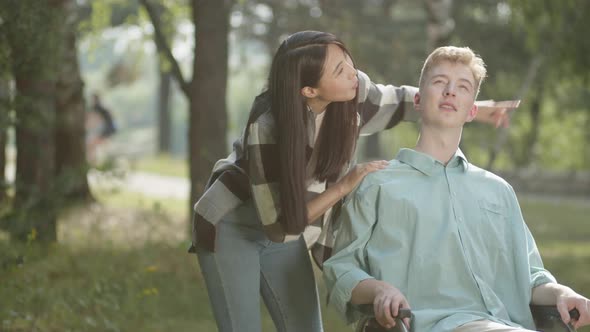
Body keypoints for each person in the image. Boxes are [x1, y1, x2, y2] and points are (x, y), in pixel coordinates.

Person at [191, 31, 518, 332]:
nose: (353, 74)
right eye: (339, 70)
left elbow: (403, 100)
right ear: (310, 90)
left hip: (287, 224)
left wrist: (468, 103)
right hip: (235, 224)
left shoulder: (351, 93)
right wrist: (344, 186)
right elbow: (279, 226)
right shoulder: (269, 127)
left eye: (348, 62)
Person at [322, 46, 590, 332]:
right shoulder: (377, 184)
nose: (450, 91)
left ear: (473, 110)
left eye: (462, 87)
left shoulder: (498, 191)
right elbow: (341, 268)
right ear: (417, 99)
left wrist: (562, 293)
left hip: (508, 324)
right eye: (439, 82)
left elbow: (531, 276)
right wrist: (379, 290)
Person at [86, 93, 116, 163]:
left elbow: (93, 120)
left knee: (92, 145)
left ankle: (94, 162)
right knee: (96, 146)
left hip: (105, 130)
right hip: (108, 130)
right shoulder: (103, 108)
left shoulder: (97, 108)